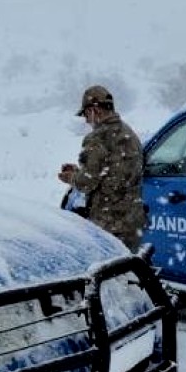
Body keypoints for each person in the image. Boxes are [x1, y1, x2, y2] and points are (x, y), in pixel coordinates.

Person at [57, 85, 146, 250]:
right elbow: (113, 173)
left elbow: (87, 183)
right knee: (129, 264)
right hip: (132, 222)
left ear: (94, 110)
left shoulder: (97, 138)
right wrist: (79, 171)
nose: (86, 120)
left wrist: (71, 177)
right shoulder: (128, 132)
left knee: (111, 266)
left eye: (86, 114)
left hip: (108, 225)